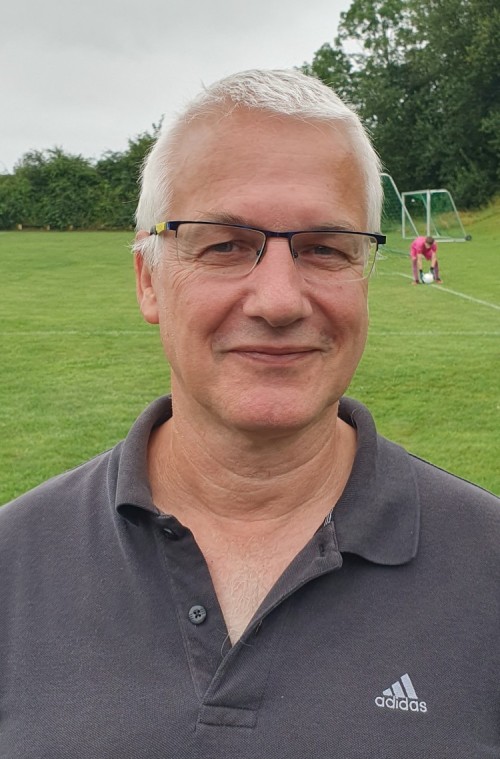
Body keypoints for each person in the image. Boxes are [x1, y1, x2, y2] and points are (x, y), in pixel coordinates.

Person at [1, 69, 499, 758]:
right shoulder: (13, 565)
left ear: (365, 276)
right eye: (224, 245)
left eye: (324, 248)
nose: (279, 301)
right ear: (148, 280)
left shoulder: (488, 568)